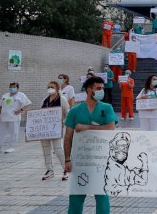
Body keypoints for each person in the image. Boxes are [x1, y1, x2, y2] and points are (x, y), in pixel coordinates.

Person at [64, 76, 117, 213]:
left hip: (101, 159)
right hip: (80, 159)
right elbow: (68, 136)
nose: (101, 91)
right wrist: (67, 159)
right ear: (89, 90)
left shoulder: (106, 108)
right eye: (98, 89)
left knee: (102, 195)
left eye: (102, 89)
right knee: (76, 195)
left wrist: (86, 127)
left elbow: (111, 128)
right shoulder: (75, 111)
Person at [38, 81, 70, 180]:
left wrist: (63, 122)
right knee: (46, 149)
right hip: (45, 129)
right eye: (48, 87)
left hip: (56, 128)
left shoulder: (62, 99)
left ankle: (66, 169)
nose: (50, 89)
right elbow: (39, 113)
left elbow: (67, 112)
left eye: (52, 87)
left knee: (57, 149)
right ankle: (49, 170)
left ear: (57, 88)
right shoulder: (45, 100)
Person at [0, 83, 31, 153]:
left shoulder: (21, 95)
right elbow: (0, 106)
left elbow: (28, 104)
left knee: (14, 132)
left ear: (17, 88)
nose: (12, 88)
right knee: (0, 132)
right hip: (3, 117)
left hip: (14, 117)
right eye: (11, 87)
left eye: (14, 87)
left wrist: (20, 110)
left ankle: (12, 147)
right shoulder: (5, 95)